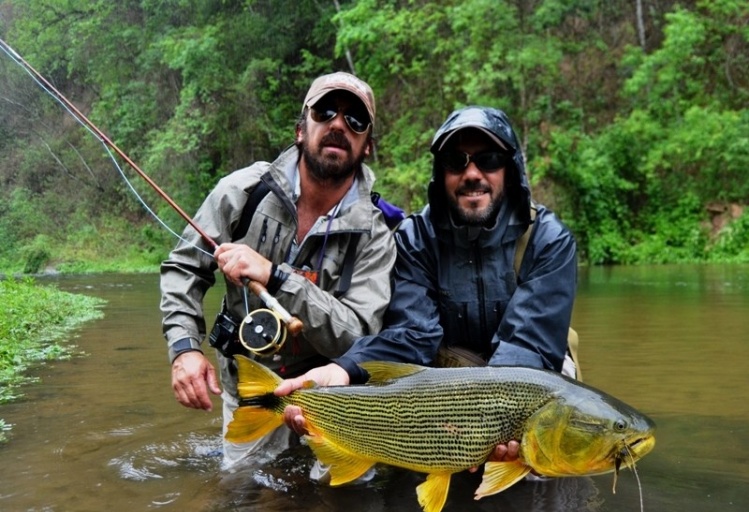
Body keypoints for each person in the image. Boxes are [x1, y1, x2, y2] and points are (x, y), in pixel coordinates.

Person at [278, 105, 578, 465]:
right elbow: (412, 336)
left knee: (543, 478)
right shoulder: (415, 238)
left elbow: (528, 344)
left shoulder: (548, 239)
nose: (472, 173)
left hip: (529, 380)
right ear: (441, 173)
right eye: (456, 161)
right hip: (443, 386)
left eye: (489, 159)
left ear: (509, 170)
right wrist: (344, 369)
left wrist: (491, 425)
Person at [159, 72, 397, 470]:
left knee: (343, 506)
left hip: (334, 395)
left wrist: (278, 276)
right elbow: (184, 267)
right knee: (244, 499)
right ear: (301, 130)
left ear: (367, 145)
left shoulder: (377, 234)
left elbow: (357, 335)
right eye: (325, 112)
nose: (338, 124)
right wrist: (183, 349)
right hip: (251, 382)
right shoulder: (243, 192)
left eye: (355, 120)